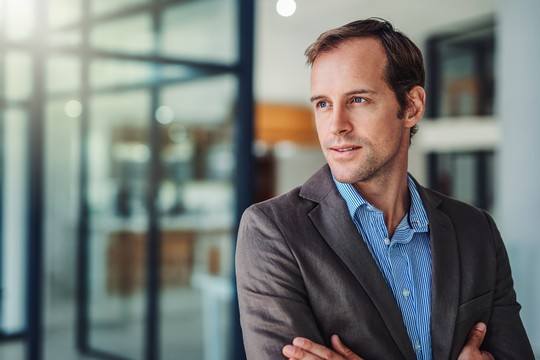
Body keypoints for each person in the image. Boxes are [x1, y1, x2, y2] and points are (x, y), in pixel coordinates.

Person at [235, 18, 535, 360]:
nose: (336, 126)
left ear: (411, 106)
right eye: (323, 104)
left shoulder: (476, 230)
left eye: (358, 100)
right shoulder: (272, 231)